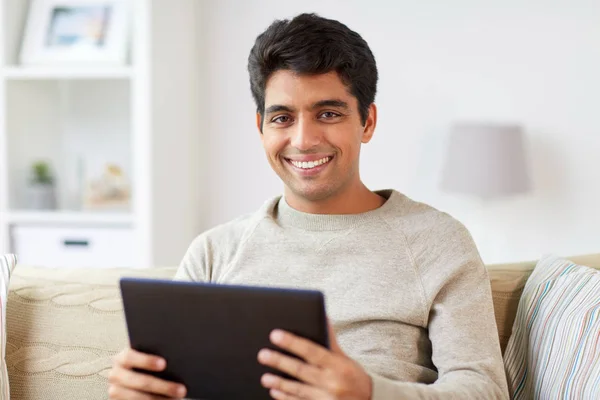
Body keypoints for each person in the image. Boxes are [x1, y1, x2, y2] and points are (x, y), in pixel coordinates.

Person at [108, 13, 510, 400]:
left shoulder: (437, 242)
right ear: (261, 127)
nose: (303, 140)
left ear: (367, 122)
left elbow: (486, 391)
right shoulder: (214, 254)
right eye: (282, 117)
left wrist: (369, 394)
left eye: (328, 113)